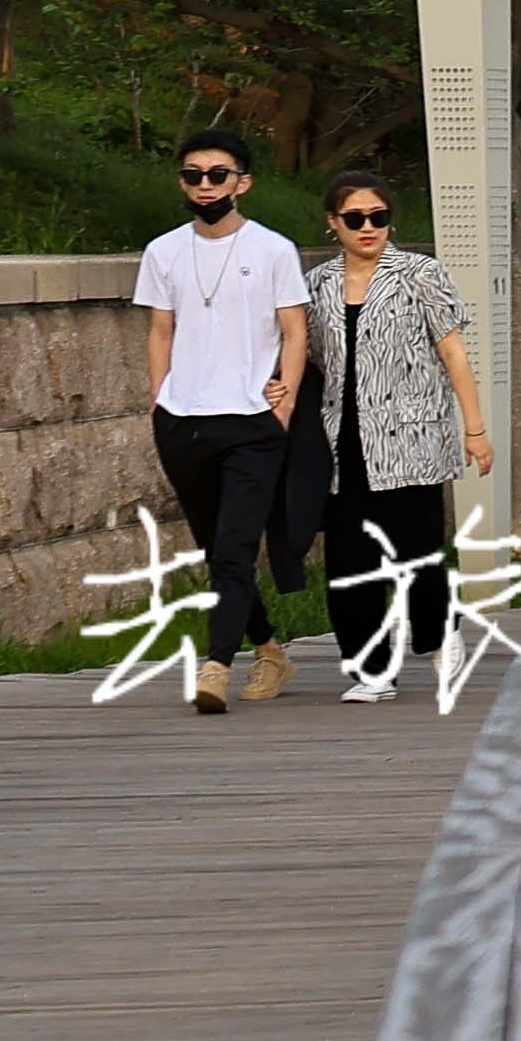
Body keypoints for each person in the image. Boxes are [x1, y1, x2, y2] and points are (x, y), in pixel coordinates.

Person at [131, 129, 315, 710]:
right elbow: (161, 329)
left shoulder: (273, 250)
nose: (204, 185)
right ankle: (269, 650)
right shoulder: (163, 251)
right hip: (183, 420)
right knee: (218, 549)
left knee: (235, 547)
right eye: (193, 174)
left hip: (253, 421)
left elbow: (294, 330)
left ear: (244, 183)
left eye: (217, 175)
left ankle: (215, 666)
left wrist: (282, 406)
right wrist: (160, 398)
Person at [307, 173, 491, 698]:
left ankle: (439, 636)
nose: (368, 228)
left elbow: (453, 353)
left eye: (379, 217)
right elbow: (311, 355)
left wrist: (474, 428)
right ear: (333, 223)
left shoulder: (419, 275)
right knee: (349, 559)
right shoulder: (317, 284)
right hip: (342, 441)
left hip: (411, 437)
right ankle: (370, 671)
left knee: (417, 552)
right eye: (355, 219)